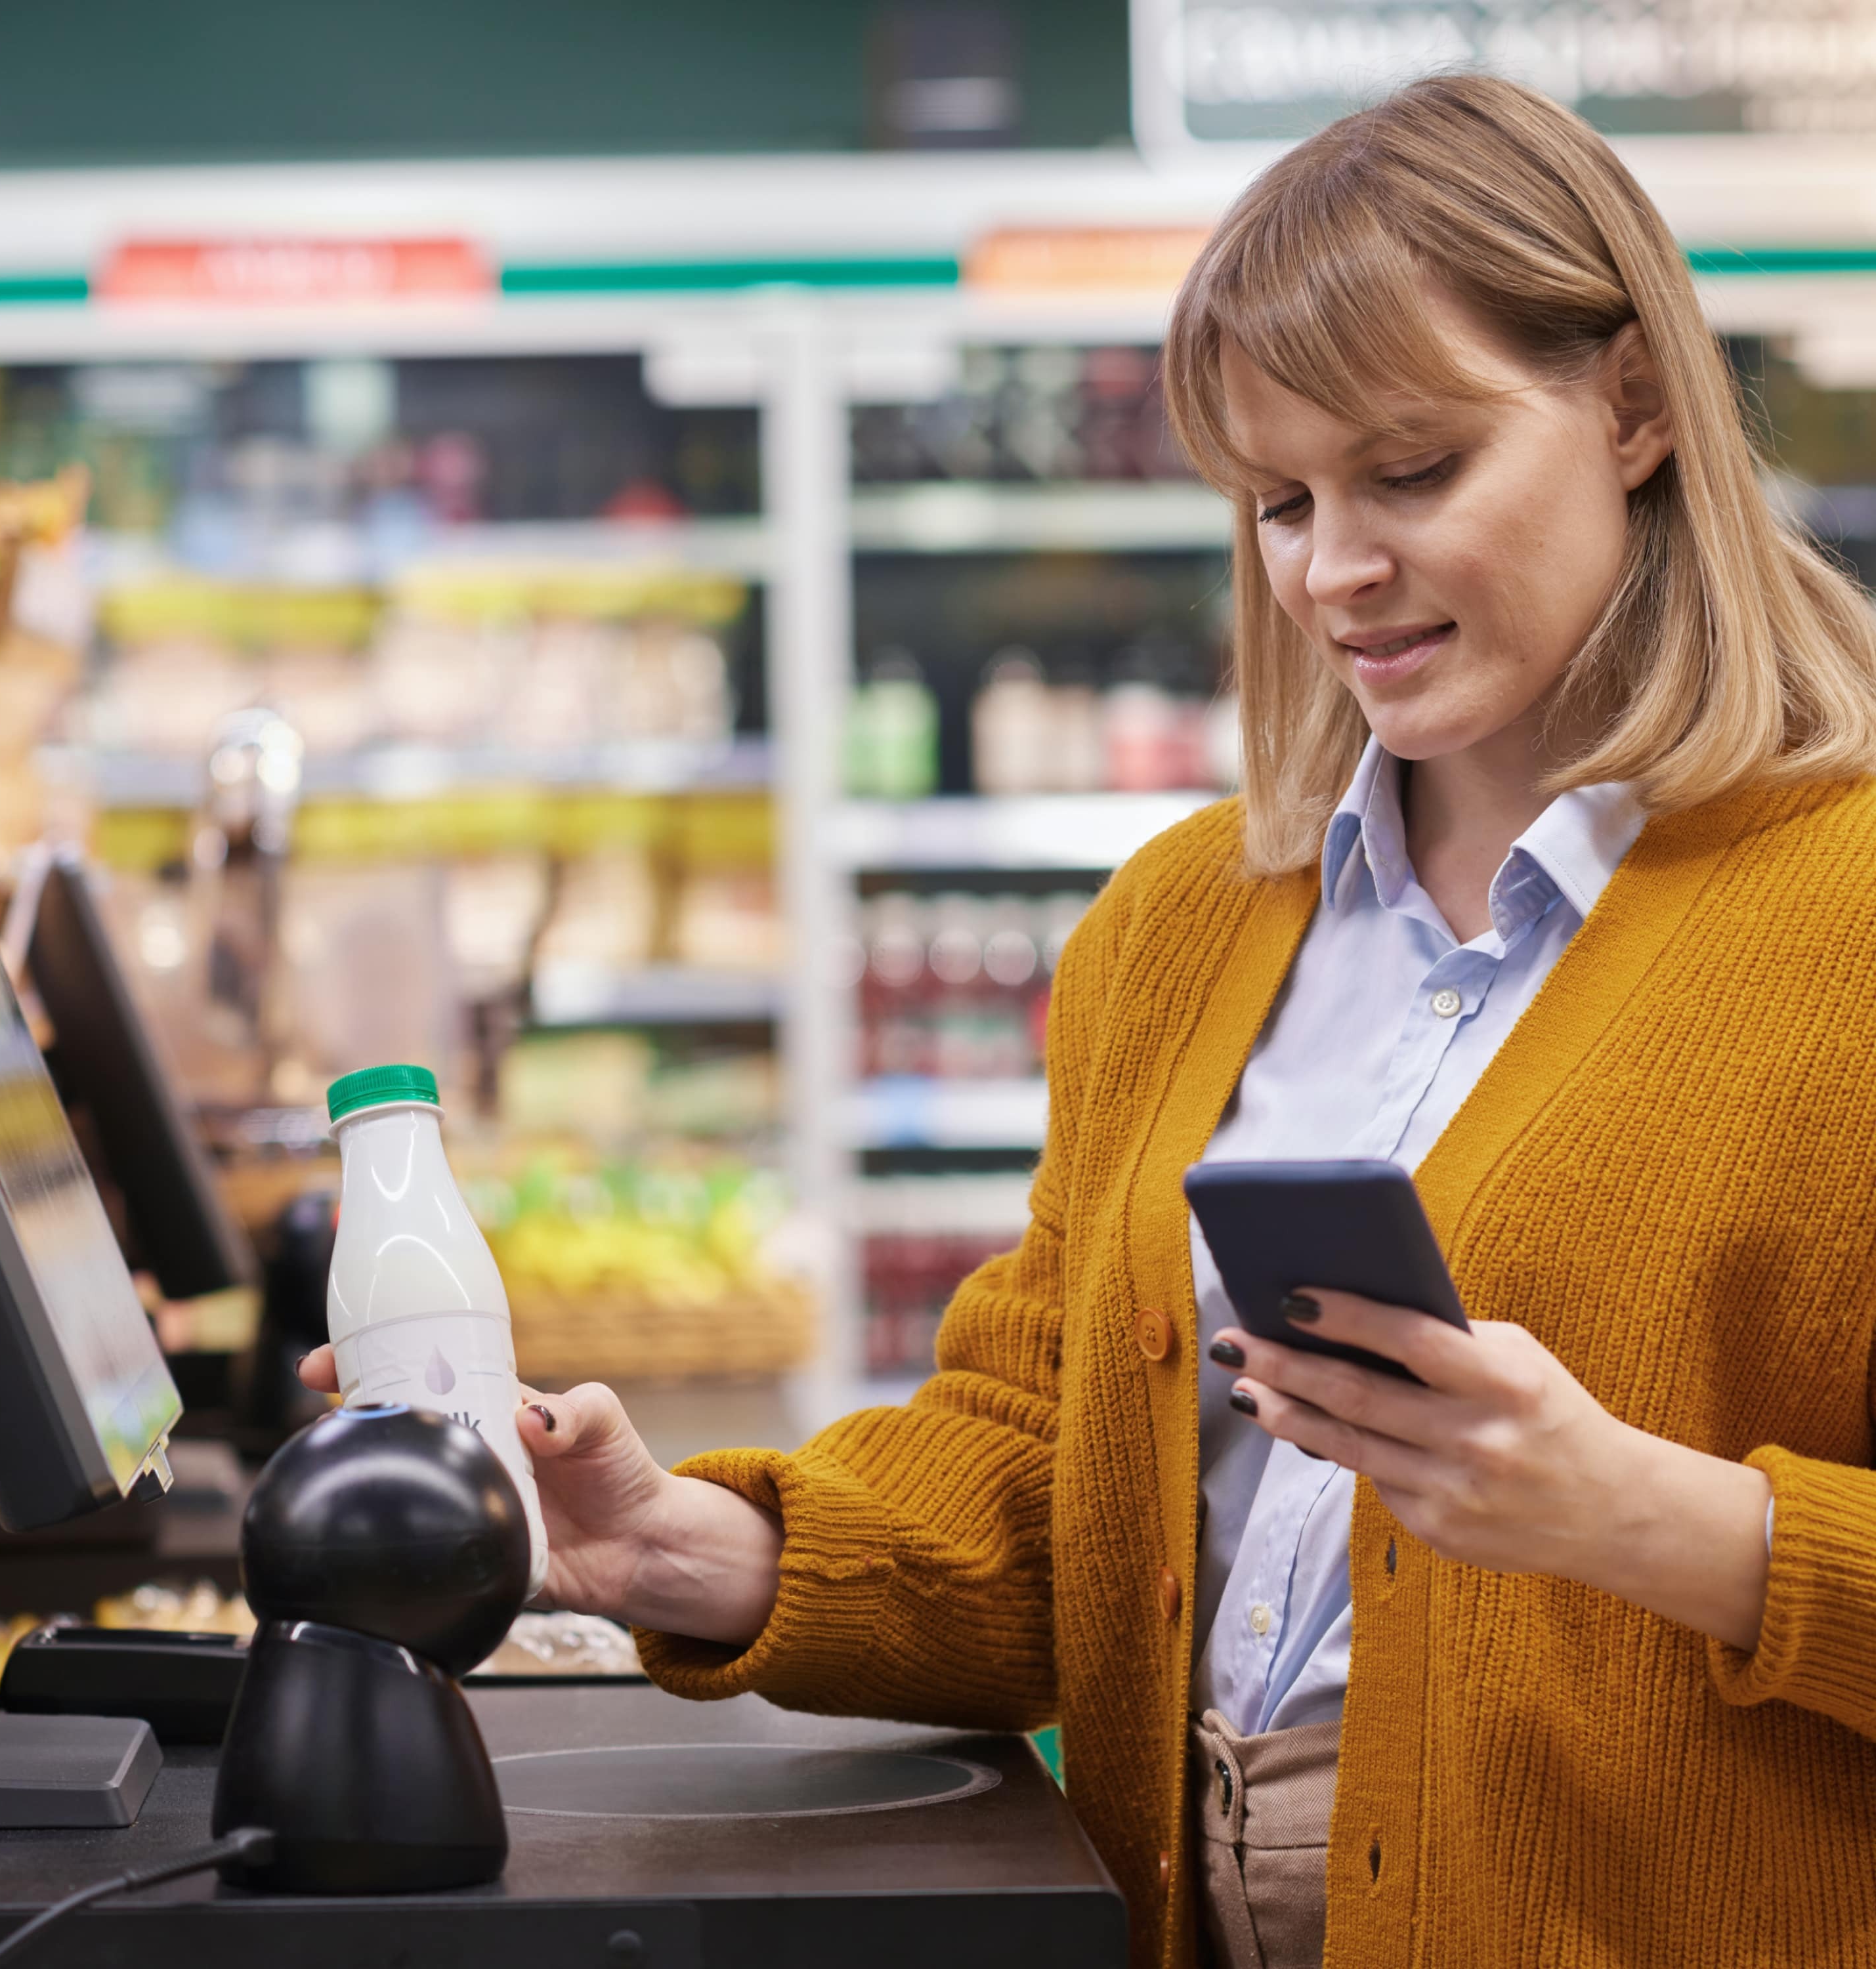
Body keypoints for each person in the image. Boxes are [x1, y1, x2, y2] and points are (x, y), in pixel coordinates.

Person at [302, 74, 1876, 1968]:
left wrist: (1651, 1519)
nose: (1330, 574)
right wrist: (680, 1549)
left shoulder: (1839, 919)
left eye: (1413, 472)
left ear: (1632, 406)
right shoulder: (1189, 924)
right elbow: (1052, 1479)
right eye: (1279, 502)